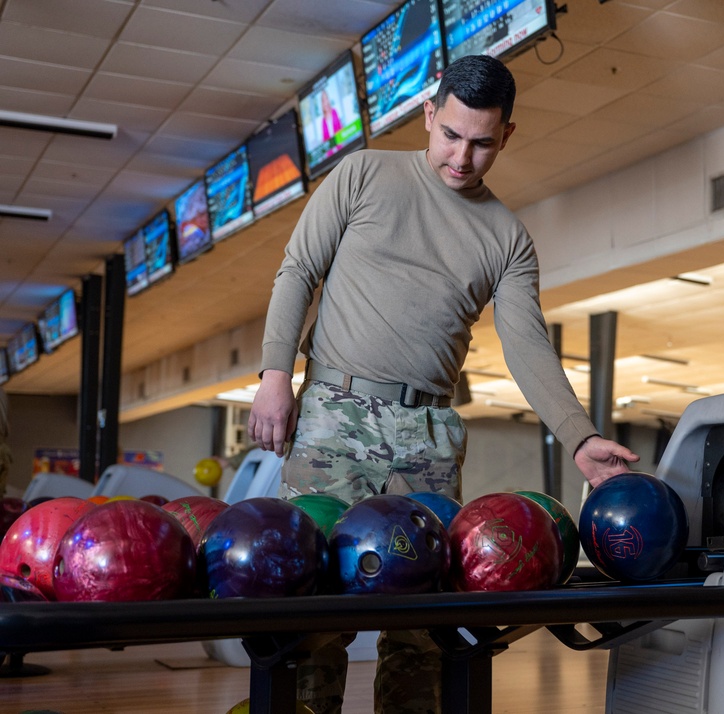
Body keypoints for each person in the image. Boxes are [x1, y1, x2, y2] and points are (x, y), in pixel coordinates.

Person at [248, 54, 638, 714]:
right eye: (452, 134)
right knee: (313, 612)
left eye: (483, 142)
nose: (463, 156)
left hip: (429, 432)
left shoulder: (506, 238)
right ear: (429, 116)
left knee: (422, 625)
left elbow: (526, 346)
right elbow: (297, 272)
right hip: (333, 419)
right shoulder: (365, 173)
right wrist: (274, 375)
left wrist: (579, 437)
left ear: (506, 136)